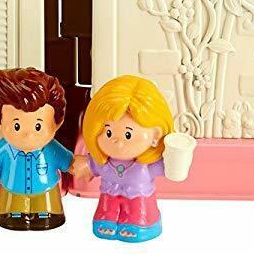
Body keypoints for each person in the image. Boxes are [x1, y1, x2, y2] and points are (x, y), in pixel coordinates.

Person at [72, 75, 194, 242]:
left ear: (155, 135)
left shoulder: (146, 165)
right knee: (107, 210)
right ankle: (107, 220)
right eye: (108, 132)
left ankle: (140, 225)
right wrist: (83, 166)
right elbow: (91, 166)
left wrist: (178, 159)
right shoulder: (104, 162)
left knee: (138, 212)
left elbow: (170, 170)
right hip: (109, 195)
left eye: (128, 134)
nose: (117, 141)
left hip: (139, 198)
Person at [0, 67, 75, 230]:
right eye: (16, 126)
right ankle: (13, 214)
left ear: (57, 122)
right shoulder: (5, 148)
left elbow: (69, 162)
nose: (28, 135)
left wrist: (78, 166)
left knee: (47, 207)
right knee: (13, 208)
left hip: (46, 189)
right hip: (12, 188)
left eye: (38, 126)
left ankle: (46, 214)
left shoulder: (51, 148)